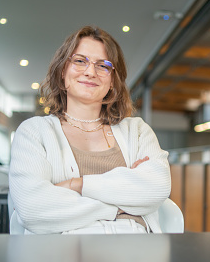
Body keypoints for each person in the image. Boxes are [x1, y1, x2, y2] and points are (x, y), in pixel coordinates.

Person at [9, 25, 171, 234]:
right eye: (79, 61)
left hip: (135, 256)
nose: (90, 72)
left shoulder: (137, 131)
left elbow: (156, 188)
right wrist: (121, 205)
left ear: (113, 80)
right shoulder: (34, 132)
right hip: (58, 259)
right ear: (62, 72)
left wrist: (76, 185)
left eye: (103, 65)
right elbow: (33, 208)